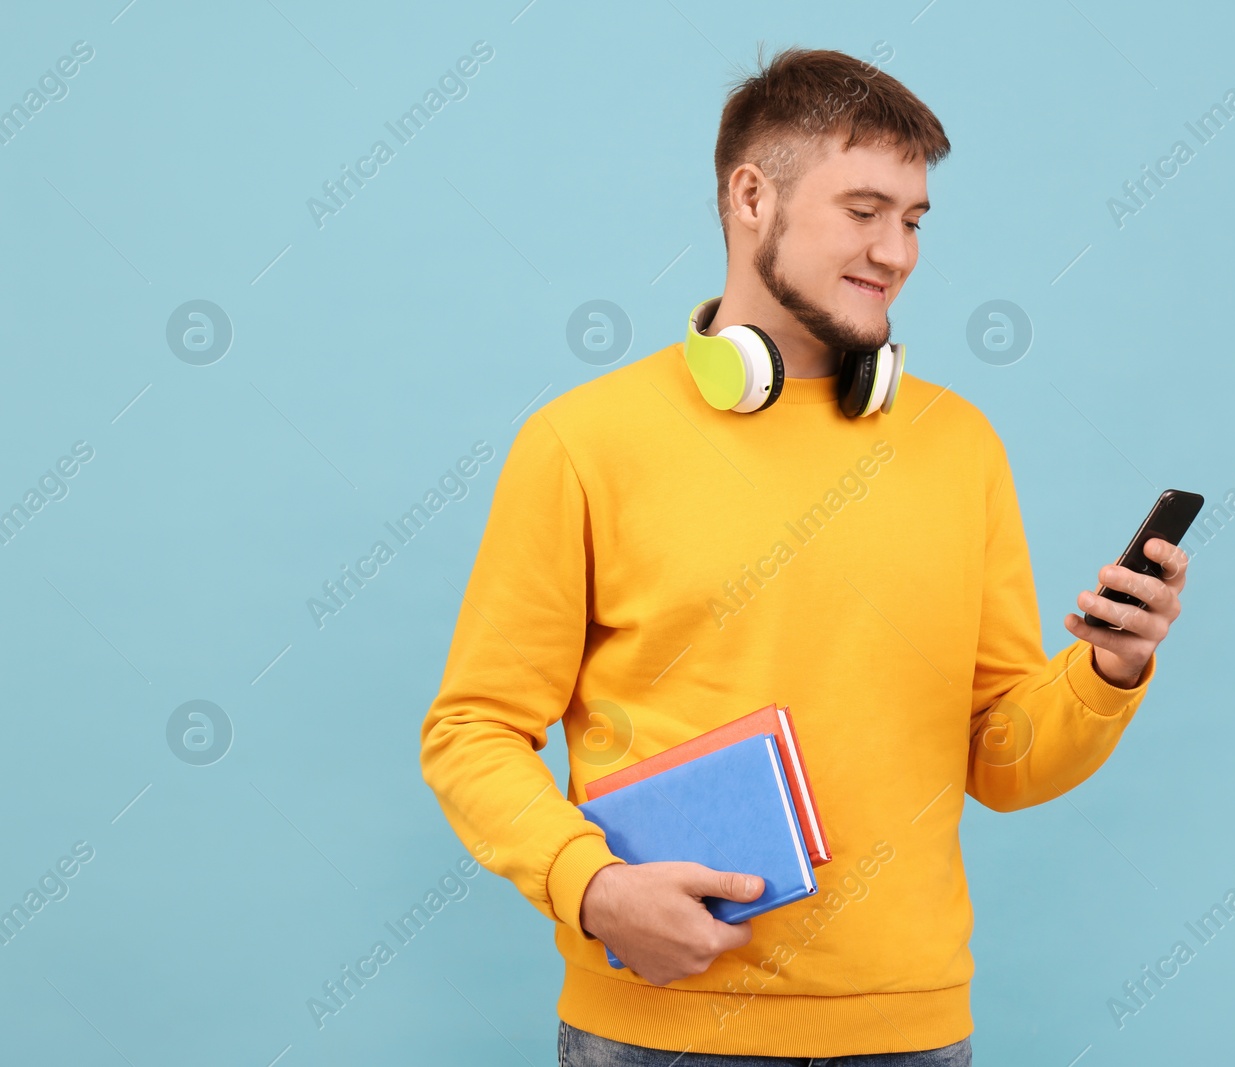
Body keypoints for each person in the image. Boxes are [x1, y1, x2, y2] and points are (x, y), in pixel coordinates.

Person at [419, 45, 1187, 1066]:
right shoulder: (582, 441)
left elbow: (1001, 757)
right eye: (864, 210)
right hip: (660, 1033)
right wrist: (592, 886)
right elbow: (471, 729)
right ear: (750, 195)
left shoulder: (959, 444)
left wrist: (1106, 670)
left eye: (913, 220)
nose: (898, 251)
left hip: (910, 1033)